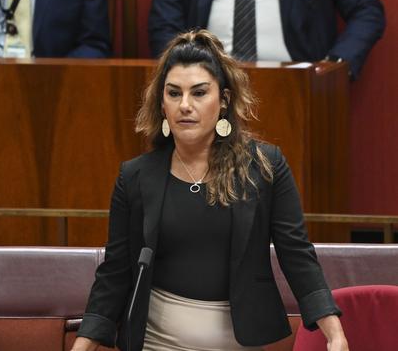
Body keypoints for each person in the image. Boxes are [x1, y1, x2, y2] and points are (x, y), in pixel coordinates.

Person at [71, 30, 348, 350]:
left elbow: (297, 255)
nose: (184, 105)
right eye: (173, 94)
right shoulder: (135, 176)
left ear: (224, 100)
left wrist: (334, 333)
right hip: (157, 343)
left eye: (199, 93)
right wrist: (83, 345)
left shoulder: (264, 166)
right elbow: (114, 275)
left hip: (241, 344)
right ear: (162, 104)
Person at [148, 0, 385, 80]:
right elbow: (164, 24)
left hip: (297, 85)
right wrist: (182, 74)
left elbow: (367, 11)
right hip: (208, 83)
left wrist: (335, 65)